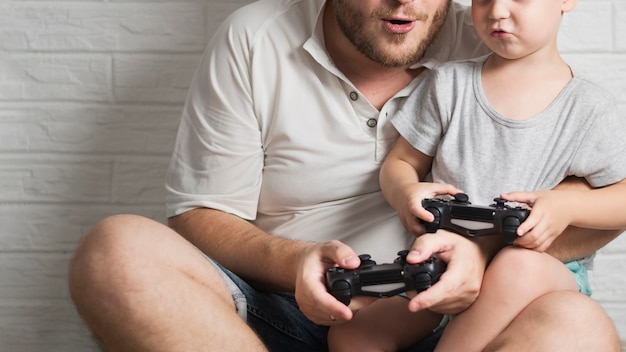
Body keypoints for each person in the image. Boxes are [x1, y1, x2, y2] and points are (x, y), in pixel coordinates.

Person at [67, 1, 622, 351]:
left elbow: (583, 171)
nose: (405, 2)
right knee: (116, 251)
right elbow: (198, 212)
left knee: (576, 328)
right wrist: (293, 264)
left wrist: (497, 242)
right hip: (279, 313)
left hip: (461, 315)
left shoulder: (491, 32)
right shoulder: (256, 38)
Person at [324, 0, 626, 351]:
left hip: (536, 276)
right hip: (446, 264)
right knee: (352, 332)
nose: (497, 11)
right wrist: (405, 192)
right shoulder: (448, 84)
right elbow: (400, 163)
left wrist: (567, 207)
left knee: (518, 264)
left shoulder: (589, 109)